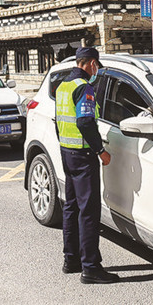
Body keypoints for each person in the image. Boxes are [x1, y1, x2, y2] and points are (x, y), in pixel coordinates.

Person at [55, 46, 119, 285]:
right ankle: (91, 268)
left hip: (67, 152)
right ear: (91, 63)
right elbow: (84, 122)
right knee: (89, 211)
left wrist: (65, 144)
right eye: (96, 66)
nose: (96, 71)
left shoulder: (63, 85)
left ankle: (71, 260)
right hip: (83, 156)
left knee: (71, 207)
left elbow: (59, 120)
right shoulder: (84, 87)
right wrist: (101, 151)